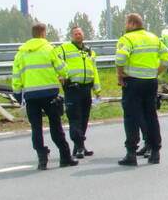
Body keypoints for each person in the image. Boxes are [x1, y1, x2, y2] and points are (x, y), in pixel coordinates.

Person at [12, 23, 76, 169]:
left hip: (30, 96)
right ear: (44, 33)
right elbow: (63, 68)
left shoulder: (21, 53)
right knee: (55, 126)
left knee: (36, 128)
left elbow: (16, 77)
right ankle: (65, 157)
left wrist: (18, 95)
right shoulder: (50, 49)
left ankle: (42, 159)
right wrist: (64, 76)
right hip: (50, 94)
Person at [115, 13, 168, 166]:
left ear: (132, 24)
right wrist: (156, 72)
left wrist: (120, 73)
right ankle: (155, 152)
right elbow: (167, 57)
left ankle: (131, 154)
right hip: (151, 82)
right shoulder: (153, 37)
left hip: (133, 82)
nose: (125, 26)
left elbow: (120, 58)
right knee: (151, 116)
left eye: (126, 23)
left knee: (131, 117)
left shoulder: (127, 39)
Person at [59, 27, 101, 159]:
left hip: (86, 88)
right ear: (71, 36)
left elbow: (94, 70)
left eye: (80, 33)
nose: (78, 35)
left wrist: (97, 89)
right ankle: (80, 146)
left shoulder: (89, 51)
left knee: (84, 118)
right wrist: (60, 76)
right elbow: (54, 61)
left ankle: (79, 146)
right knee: (75, 118)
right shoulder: (64, 49)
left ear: (83, 34)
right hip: (72, 88)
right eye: (75, 33)